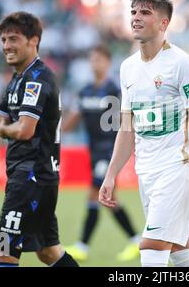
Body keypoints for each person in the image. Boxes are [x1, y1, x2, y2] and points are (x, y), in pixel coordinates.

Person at [98, 0, 189, 267]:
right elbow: (127, 128)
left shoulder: (182, 64)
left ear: (163, 23)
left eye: (145, 12)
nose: (136, 18)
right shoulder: (127, 68)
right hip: (147, 173)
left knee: (151, 248)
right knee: (181, 251)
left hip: (178, 168)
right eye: (134, 12)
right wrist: (111, 174)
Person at [0, 11, 78, 267]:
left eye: (13, 38)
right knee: (48, 252)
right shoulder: (18, 79)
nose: (6, 46)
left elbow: (24, 130)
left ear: (33, 40)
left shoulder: (37, 78)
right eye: (3, 39)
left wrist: (6, 130)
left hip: (30, 178)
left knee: (4, 252)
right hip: (35, 178)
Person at [62, 45, 140, 262]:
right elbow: (73, 119)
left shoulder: (115, 88)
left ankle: (83, 246)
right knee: (109, 198)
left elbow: (128, 117)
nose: (94, 64)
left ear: (107, 62)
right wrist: (55, 130)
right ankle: (136, 240)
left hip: (110, 149)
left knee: (95, 193)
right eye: (92, 60)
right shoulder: (85, 90)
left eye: (98, 59)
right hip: (93, 151)